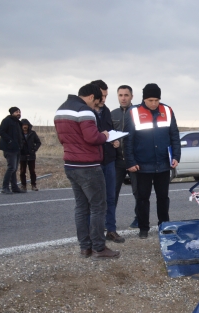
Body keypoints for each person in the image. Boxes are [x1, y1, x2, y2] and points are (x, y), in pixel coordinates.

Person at [54, 83, 120, 260]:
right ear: (91, 97)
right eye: (97, 101)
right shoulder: (85, 111)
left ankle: (85, 248)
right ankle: (99, 247)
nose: (96, 106)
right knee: (98, 207)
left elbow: (63, 138)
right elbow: (92, 137)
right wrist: (105, 135)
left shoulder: (61, 110)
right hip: (88, 166)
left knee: (81, 207)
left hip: (71, 164)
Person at [124, 83, 181, 239]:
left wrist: (176, 156)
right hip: (142, 165)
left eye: (156, 100)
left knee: (163, 198)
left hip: (163, 164)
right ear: (144, 99)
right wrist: (130, 161)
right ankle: (143, 228)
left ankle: (164, 225)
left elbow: (174, 135)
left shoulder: (167, 111)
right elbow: (128, 140)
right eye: (150, 100)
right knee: (143, 199)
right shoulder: (134, 112)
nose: (154, 103)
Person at [91, 80, 124, 244]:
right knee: (94, 200)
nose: (103, 99)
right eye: (101, 95)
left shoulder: (106, 111)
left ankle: (111, 230)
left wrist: (114, 142)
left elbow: (108, 132)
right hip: (92, 162)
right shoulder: (85, 111)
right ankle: (94, 234)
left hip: (109, 160)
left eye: (106, 96)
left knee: (110, 197)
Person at [111, 85, 139, 229]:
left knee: (138, 191)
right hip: (117, 161)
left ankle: (139, 219)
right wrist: (111, 142)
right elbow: (106, 134)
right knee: (112, 191)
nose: (123, 98)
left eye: (126, 95)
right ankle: (109, 222)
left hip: (134, 160)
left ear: (131, 96)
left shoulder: (138, 113)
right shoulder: (112, 114)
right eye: (120, 95)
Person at [0, 107, 25, 194]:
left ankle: (14, 187)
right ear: (12, 113)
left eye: (19, 112)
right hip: (9, 149)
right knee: (11, 168)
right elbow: (1, 131)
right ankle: (5, 187)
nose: (18, 113)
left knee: (14, 168)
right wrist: (9, 141)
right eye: (17, 112)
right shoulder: (7, 120)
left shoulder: (18, 123)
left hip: (17, 149)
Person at [19, 119, 41, 191]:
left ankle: (33, 185)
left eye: (26, 125)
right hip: (22, 155)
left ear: (28, 126)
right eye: (23, 125)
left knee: (32, 171)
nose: (25, 126)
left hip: (31, 155)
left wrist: (34, 149)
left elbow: (38, 142)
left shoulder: (32, 133)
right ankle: (23, 186)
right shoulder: (18, 133)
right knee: (22, 171)